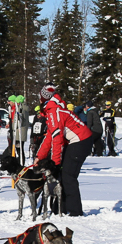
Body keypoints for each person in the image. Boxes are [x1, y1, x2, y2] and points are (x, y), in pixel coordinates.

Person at [36, 86, 95, 217]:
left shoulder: (54, 111)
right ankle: (59, 209)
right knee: (62, 175)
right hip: (76, 141)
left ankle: (75, 212)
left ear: (44, 98)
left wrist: (55, 164)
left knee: (68, 176)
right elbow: (50, 137)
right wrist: (39, 156)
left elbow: (57, 140)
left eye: (39, 98)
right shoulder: (53, 109)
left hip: (80, 141)